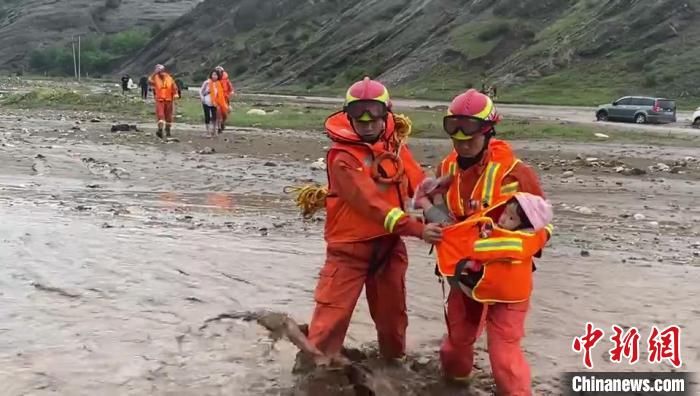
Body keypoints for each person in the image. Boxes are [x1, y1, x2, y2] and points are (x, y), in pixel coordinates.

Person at [306, 77, 443, 366]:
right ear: (348, 115)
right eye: (359, 114)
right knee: (330, 320)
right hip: (349, 251)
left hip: (388, 247)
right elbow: (372, 205)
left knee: (393, 319)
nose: (367, 122)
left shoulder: (394, 146)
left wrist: (439, 207)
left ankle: (393, 366)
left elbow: (417, 182)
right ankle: (311, 371)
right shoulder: (341, 157)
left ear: (386, 114)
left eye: (374, 114)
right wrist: (419, 229)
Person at [429, 89, 551, 395]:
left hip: (507, 280)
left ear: (488, 131)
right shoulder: (447, 168)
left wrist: (518, 245)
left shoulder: (517, 174)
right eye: (454, 132)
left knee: (504, 357)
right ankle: (455, 387)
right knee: (455, 349)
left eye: (469, 133)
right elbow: (434, 201)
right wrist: (431, 221)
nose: (462, 141)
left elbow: (544, 228)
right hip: (465, 275)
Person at [148, 64, 179, 139]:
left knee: (168, 117)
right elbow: (149, 81)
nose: (160, 72)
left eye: (161, 70)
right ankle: (160, 130)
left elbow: (174, 86)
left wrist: (175, 94)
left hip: (169, 100)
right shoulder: (155, 77)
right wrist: (154, 73)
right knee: (160, 116)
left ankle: (168, 130)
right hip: (160, 100)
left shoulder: (169, 78)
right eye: (159, 71)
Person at [199, 70, 228, 137]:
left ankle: (214, 131)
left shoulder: (219, 84)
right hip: (206, 102)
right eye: (213, 75)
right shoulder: (207, 82)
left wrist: (221, 102)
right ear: (211, 75)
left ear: (218, 76)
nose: (214, 76)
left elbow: (220, 94)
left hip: (215, 103)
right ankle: (208, 132)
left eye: (216, 75)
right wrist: (202, 98)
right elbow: (201, 91)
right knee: (207, 117)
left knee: (214, 117)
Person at [215, 65, 234, 132]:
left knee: (225, 113)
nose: (218, 73)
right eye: (217, 72)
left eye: (220, 72)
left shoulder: (226, 80)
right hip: (216, 99)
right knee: (218, 112)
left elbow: (231, 89)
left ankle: (222, 123)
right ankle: (219, 127)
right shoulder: (213, 80)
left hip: (225, 99)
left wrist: (231, 93)